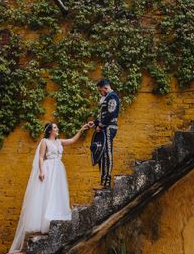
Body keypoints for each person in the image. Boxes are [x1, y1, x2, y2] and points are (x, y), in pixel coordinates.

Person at [8, 122, 88, 253]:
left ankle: (56, 216)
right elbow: (40, 157)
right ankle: (45, 222)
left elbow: (72, 140)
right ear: (50, 130)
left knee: (57, 194)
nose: (57, 129)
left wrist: (81, 129)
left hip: (58, 170)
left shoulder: (59, 141)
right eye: (55, 128)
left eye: (57, 127)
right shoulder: (45, 141)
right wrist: (41, 171)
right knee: (47, 194)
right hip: (48, 169)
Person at [88, 79, 119, 190]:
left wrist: (100, 125)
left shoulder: (112, 97)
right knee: (102, 154)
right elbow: (104, 115)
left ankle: (106, 183)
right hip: (105, 127)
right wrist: (95, 123)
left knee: (106, 153)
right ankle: (103, 181)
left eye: (100, 91)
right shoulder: (108, 97)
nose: (100, 93)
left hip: (109, 128)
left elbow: (111, 114)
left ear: (105, 88)